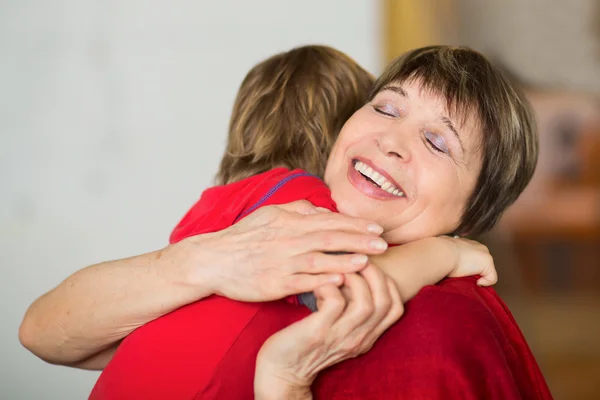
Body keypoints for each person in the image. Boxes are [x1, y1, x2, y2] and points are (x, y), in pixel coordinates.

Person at [19, 45, 552, 399]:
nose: (391, 141)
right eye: (386, 108)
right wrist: (446, 252)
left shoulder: (444, 321)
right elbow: (47, 333)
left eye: (437, 142)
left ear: (477, 207)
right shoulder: (294, 218)